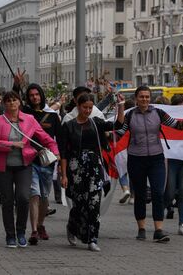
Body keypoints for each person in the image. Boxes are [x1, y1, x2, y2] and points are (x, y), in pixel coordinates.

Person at [116, 86, 183, 243]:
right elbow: (119, 132)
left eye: (147, 97)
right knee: (140, 195)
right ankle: (141, 229)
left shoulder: (158, 113)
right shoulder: (131, 115)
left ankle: (158, 230)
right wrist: (119, 112)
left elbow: (179, 126)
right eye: (141, 97)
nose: (145, 100)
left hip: (156, 158)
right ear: (136, 99)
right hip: (136, 158)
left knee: (158, 193)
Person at [0, 91, 58, 248]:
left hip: (24, 165)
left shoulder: (30, 119)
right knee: (7, 201)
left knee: (23, 198)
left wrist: (55, 151)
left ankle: (21, 232)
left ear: (19, 102)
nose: (12, 103)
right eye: (8, 100)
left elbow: (45, 138)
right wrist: (11, 145)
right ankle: (10, 235)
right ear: (4, 104)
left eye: (14, 100)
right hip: (3, 167)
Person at [59, 93, 125, 252]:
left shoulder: (96, 123)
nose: (87, 110)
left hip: (95, 167)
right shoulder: (68, 126)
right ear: (78, 107)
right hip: (75, 168)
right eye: (84, 107)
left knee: (94, 203)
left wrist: (121, 105)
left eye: (90, 108)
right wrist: (64, 175)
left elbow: (117, 125)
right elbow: (63, 153)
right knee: (79, 203)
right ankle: (72, 227)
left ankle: (92, 239)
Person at [12, 79, 61, 245]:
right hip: (29, 159)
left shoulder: (53, 117)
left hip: (47, 162)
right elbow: (13, 102)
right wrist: (17, 85)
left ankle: (41, 225)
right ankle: (33, 230)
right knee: (34, 193)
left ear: (41, 96)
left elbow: (58, 140)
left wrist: (59, 157)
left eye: (37, 94)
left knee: (45, 196)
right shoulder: (24, 113)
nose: (34, 97)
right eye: (31, 95)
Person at [164, 94, 183, 236]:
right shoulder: (167, 120)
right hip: (170, 161)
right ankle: (159, 214)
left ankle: (182, 223)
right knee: (168, 193)